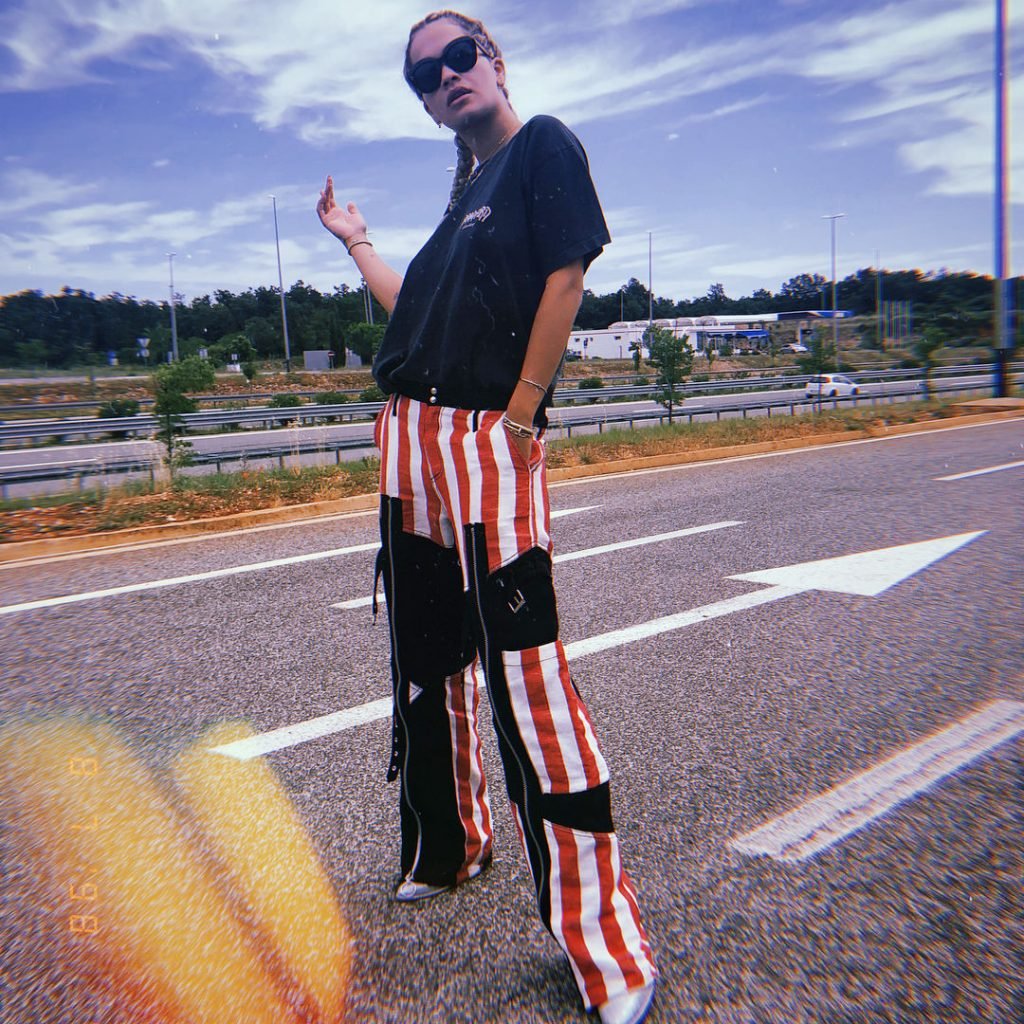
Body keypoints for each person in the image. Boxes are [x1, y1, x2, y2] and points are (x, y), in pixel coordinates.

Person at [317, 10, 657, 1024]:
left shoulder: (540, 146)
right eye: (425, 75)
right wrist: (358, 243)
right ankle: (452, 844)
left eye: (459, 57)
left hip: (483, 437)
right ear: (425, 104)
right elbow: (410, 310)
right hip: (409, 439)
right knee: (426, 658)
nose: (446, 78)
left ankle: (607, 950)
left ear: (495, 62)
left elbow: (567, 276)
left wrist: (519, 415)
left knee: (526, 673)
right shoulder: (459, 203)